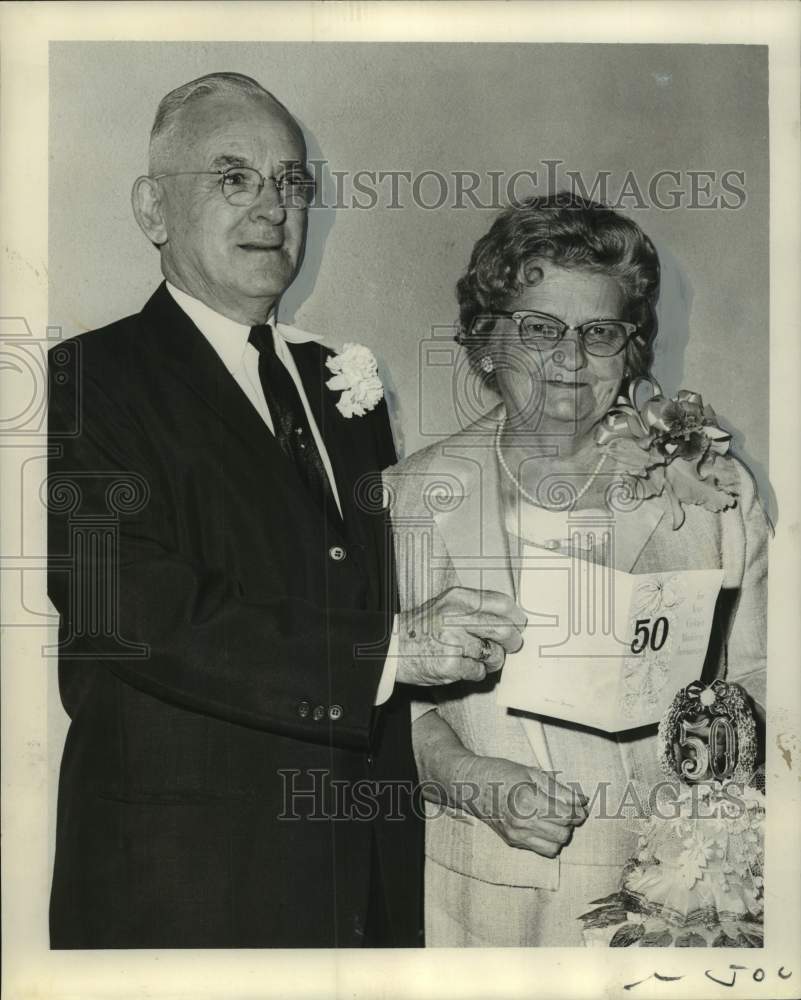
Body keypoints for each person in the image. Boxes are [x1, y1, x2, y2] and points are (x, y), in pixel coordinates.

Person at [46, 72, 526, 949]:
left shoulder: (349, 384)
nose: (272, 207)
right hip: (185, 882)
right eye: (234, 178)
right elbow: (132, 607)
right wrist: (387, 647)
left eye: (290, 182)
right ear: (153, 210)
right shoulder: (90, 380)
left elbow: (402, 555)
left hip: (361, 875)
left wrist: (636, 454)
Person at [385, 192, 768, 947]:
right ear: (486, 341)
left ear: (631, 348)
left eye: (599, 332)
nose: (569, 359)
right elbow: (373, 699)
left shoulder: (714, 486)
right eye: (538, 329)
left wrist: (722, 768)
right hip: (490, 901)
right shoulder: (411, 496)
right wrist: (466, 777)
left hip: (685, 900)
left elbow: (761, 673)